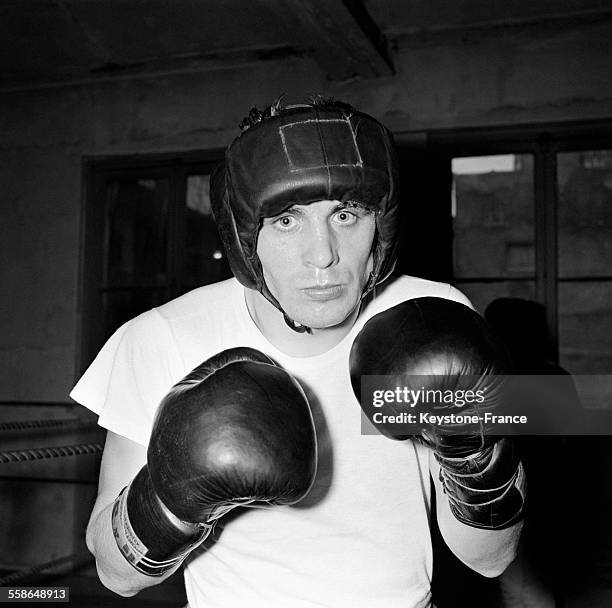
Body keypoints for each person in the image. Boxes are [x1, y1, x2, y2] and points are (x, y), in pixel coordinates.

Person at [71, 97, 525, 608]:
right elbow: (117, 576)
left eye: (346, 215)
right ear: (246, 237)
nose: (323, 255)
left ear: (383, 224)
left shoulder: (438, 311)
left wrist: (474, 452)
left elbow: (492, 559)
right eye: (287, 220)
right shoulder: (162, 337)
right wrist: (168, 500)